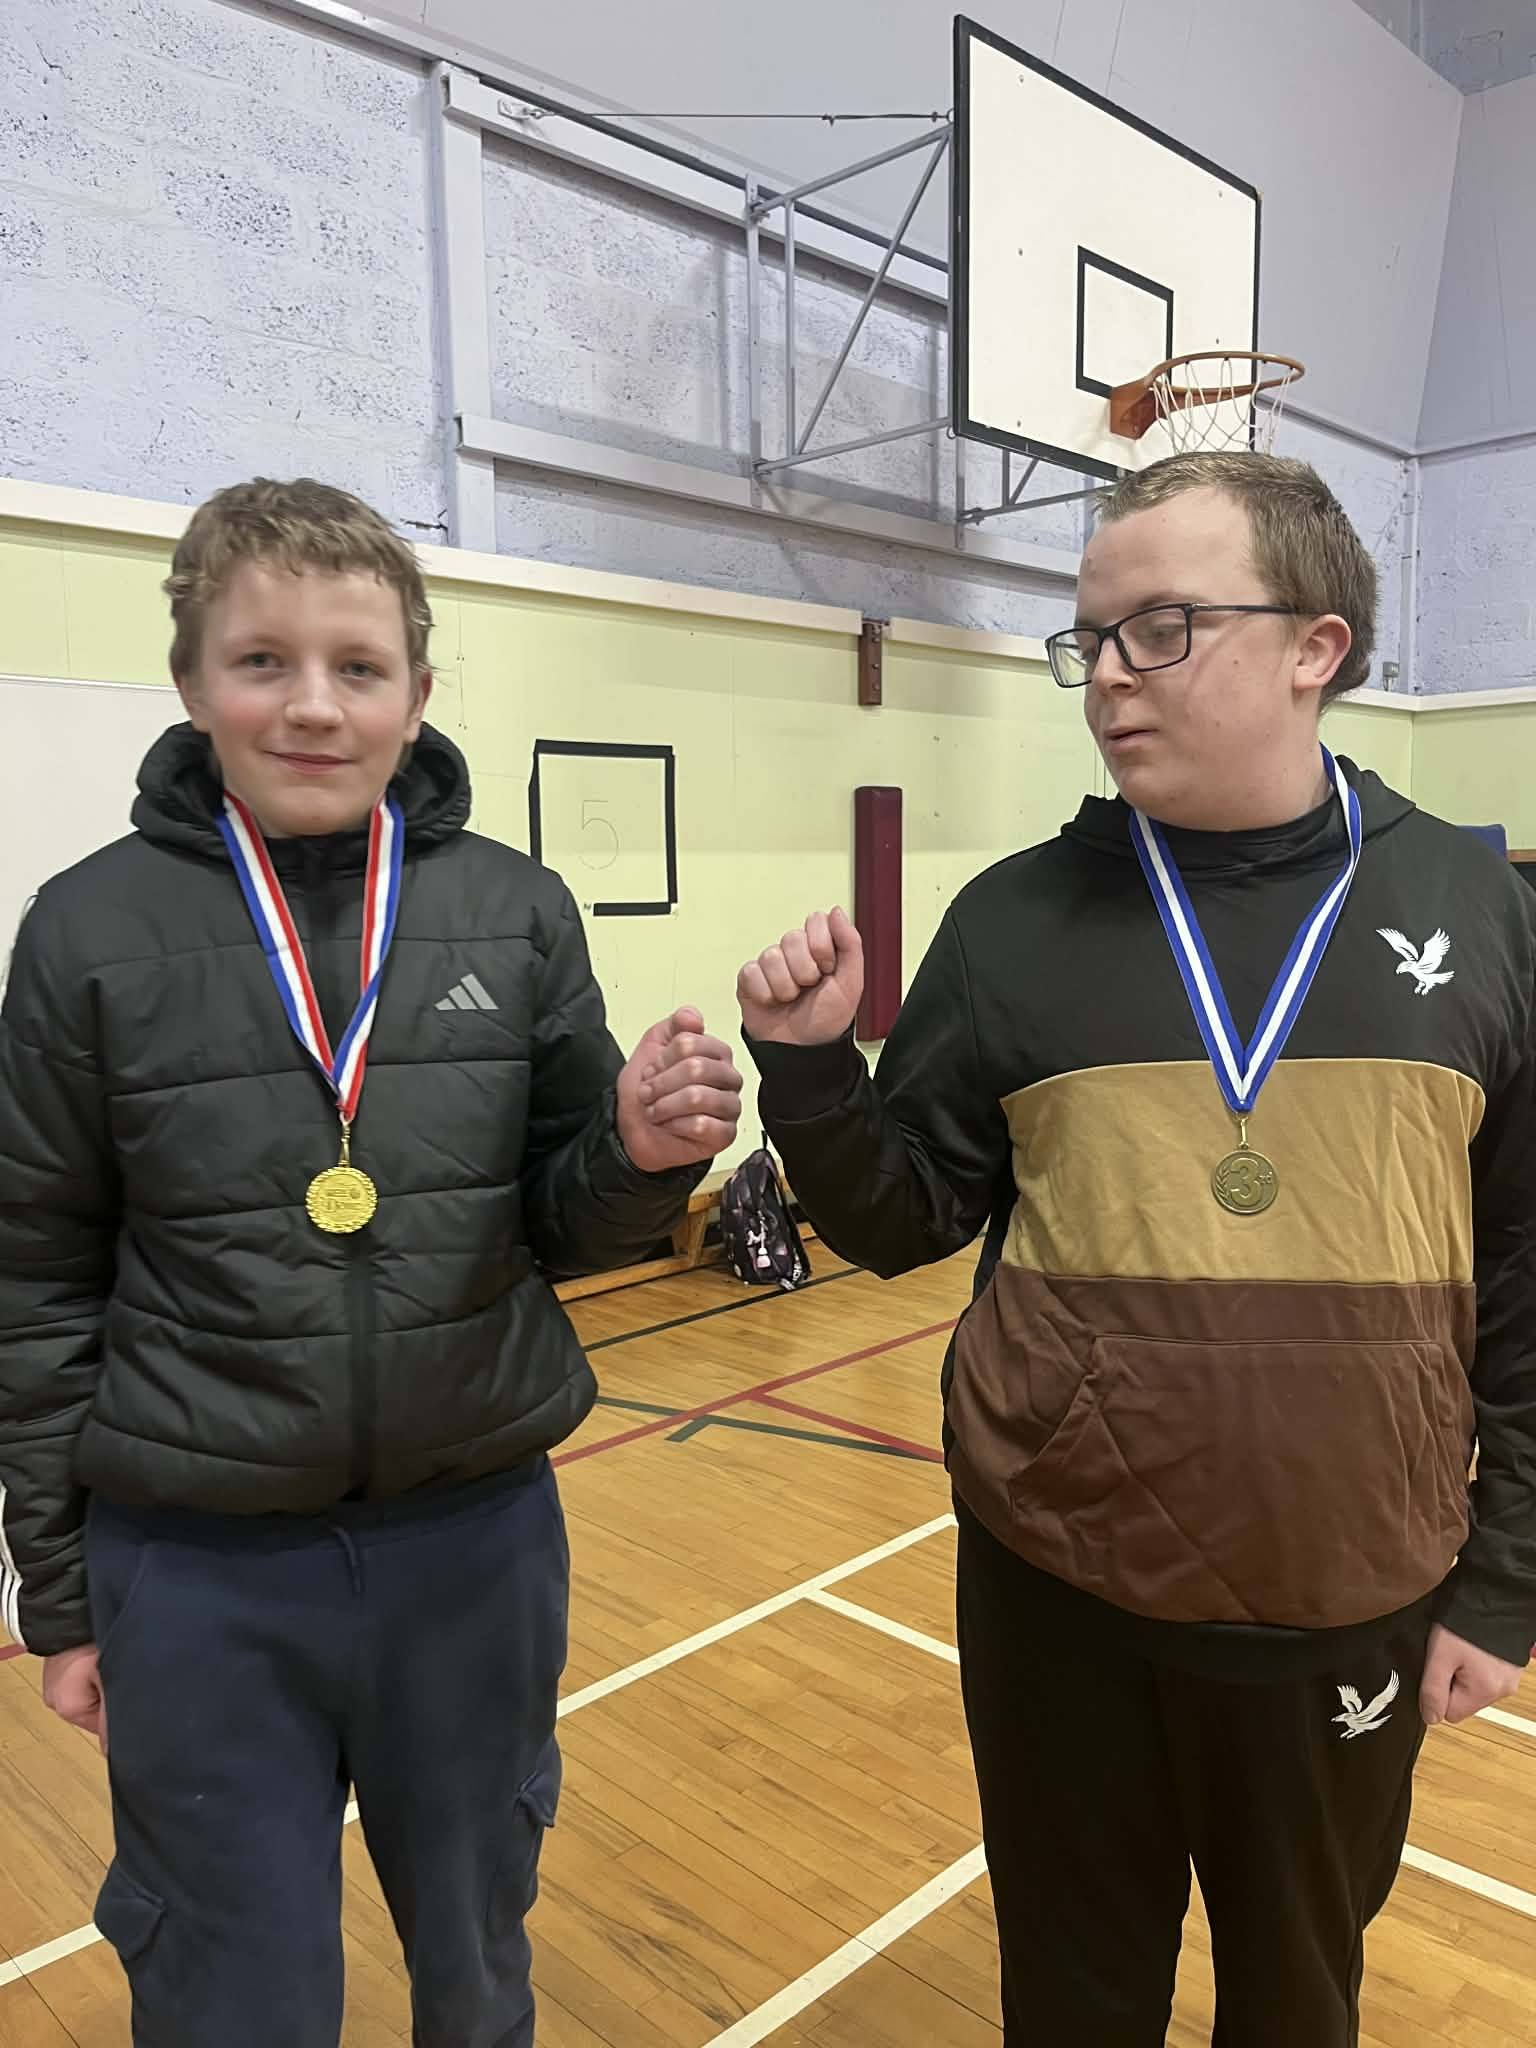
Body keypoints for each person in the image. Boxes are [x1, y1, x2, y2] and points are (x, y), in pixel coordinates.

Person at [736, 451, 1536, 2046]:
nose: (1106, 675)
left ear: (1315, 645)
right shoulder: (1011, 923)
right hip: (1058, 1585)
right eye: (1089, 637)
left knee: (1297, 1999)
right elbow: (900, 1223)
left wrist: (1506, 1579)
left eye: (1159, 628)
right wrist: (813, 1073)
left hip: (1345, 1592)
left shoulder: (1480, 907)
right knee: (1073, 1999)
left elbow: (1521, 1270)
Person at [0, 477, 743, 2048]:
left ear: (418, 689)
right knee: (230, 1996)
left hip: (473, 1552)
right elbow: (38, 1281)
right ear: (192, 682)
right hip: (196, 1571)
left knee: (476, 1970)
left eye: (359, 666)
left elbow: (563, 1223)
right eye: (262, 661)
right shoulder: (85, 932)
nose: (314, 706)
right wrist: (61, 1596)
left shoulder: (514, 913)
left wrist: (639, 1156)